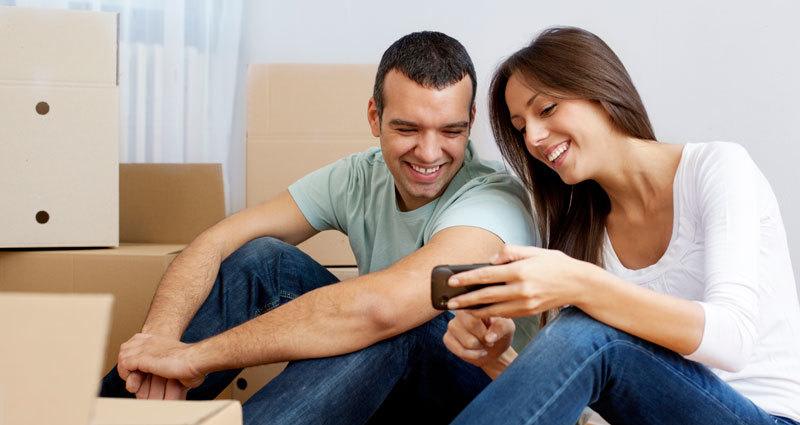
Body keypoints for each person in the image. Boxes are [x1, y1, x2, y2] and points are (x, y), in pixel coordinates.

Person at [99, 31, 535, 424]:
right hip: (385, 382)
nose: (429, 152)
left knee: (401, 317)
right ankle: (105, 417)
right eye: (407, 128)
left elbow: (382, 309)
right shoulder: (359, 176)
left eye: (451, 131)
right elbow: (217, 240)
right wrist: (158, 341)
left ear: (470, 121)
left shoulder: (493, 199)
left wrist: (195, 358)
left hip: (485, 403)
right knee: (263, 260)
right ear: (373, 117)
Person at [442, 27, 800, 425]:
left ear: (600, 88)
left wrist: (578, 283)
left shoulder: (718, 168)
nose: (535, 139)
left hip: (767, 417)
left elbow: (732, 338)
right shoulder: (585, 235)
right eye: (521, 126)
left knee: (588, 332)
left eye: (546, 109)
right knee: (429, 343)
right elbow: (584, 414)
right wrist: (497, 359)